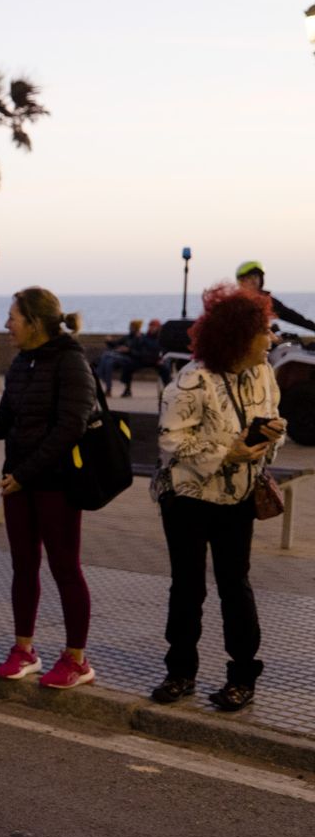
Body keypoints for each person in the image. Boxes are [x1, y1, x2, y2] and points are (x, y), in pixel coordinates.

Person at [0, 287, 97, 690]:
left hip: (56, 484)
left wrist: (26, 473)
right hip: (19, 482)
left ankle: (77, 659)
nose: (7, 324)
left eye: (13, 317)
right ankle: (24, 649)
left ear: (35, 322)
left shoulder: (71, 362)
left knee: (65, 568)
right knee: (23, 566)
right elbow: (6, 419)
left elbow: (70, 428)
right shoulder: (24, 361)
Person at [149, 285, 282, 712]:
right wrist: (229, 453)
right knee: (187, 586)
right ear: (239, 336)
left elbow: (270, 423)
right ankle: (180, 672)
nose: (272, 338)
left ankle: (243, 677)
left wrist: (270, 439)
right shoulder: (192, 380)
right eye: (264, 331)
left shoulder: (264, 373)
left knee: (234, 585)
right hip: (188, 497)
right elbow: (171, 440)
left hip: (237, 497)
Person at [236, 261, 315, 333]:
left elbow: (292, 317)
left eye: (256, 277)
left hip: (263, 342)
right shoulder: (234, 303)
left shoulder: (267, 301)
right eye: (249, 277)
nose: (254, 280)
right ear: (241, 281)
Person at [94, 319, 141, 398]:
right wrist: (109, 341)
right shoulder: (127, 337)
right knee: (108, 362)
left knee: (106, 355)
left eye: (132, 327)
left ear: (136, 328)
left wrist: (128, 350)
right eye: (130, 326)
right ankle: (108, 388)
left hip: (129, 359)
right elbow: (116, 343)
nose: (130, 328)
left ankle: (100, 375)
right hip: (118, 358)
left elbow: (140, 353)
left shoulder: (140, 338)